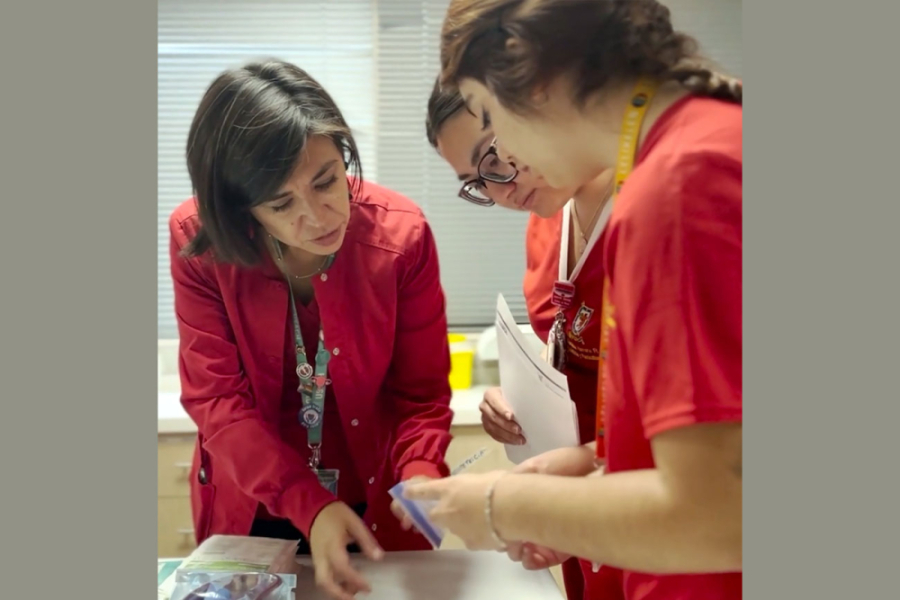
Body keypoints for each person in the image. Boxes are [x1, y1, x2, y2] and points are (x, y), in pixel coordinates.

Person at [407, 1, 743, 599]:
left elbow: (720, 513)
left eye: (489, 117)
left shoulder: (677, 183)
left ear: (532, 75)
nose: (507, 160)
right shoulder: (710, 136)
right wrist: (595, 465)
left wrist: (502, 504)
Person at [169, 59, 454, 600]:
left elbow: (420, 395)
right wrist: (308, 504)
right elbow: (217, 402)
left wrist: (421, 469)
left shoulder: (403, 238)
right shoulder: (199, 242)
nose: (319, 216)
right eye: (282, 203)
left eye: (327, 181)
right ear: (242, 212)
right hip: (252, 501)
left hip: (375, 503)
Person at [426, 78, 621, 600]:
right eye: (476, 181)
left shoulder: (652, 210)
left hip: (648, 492)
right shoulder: (547, 218)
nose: (499, 191)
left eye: (493, 158)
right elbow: (568, 344)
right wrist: (521, 398)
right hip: (579, 504)